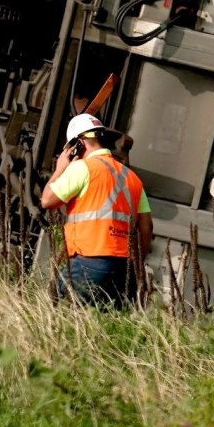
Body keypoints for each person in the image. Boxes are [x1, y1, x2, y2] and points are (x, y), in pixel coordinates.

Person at [40, 113, 153, 307]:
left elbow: (47, 201)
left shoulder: (82, 169)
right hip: (125, 268)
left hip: (89, 260)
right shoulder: (133, 178)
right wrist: (136, 268)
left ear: (79, 144)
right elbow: (146, 228)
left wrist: (60, 168)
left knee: (58, 313)